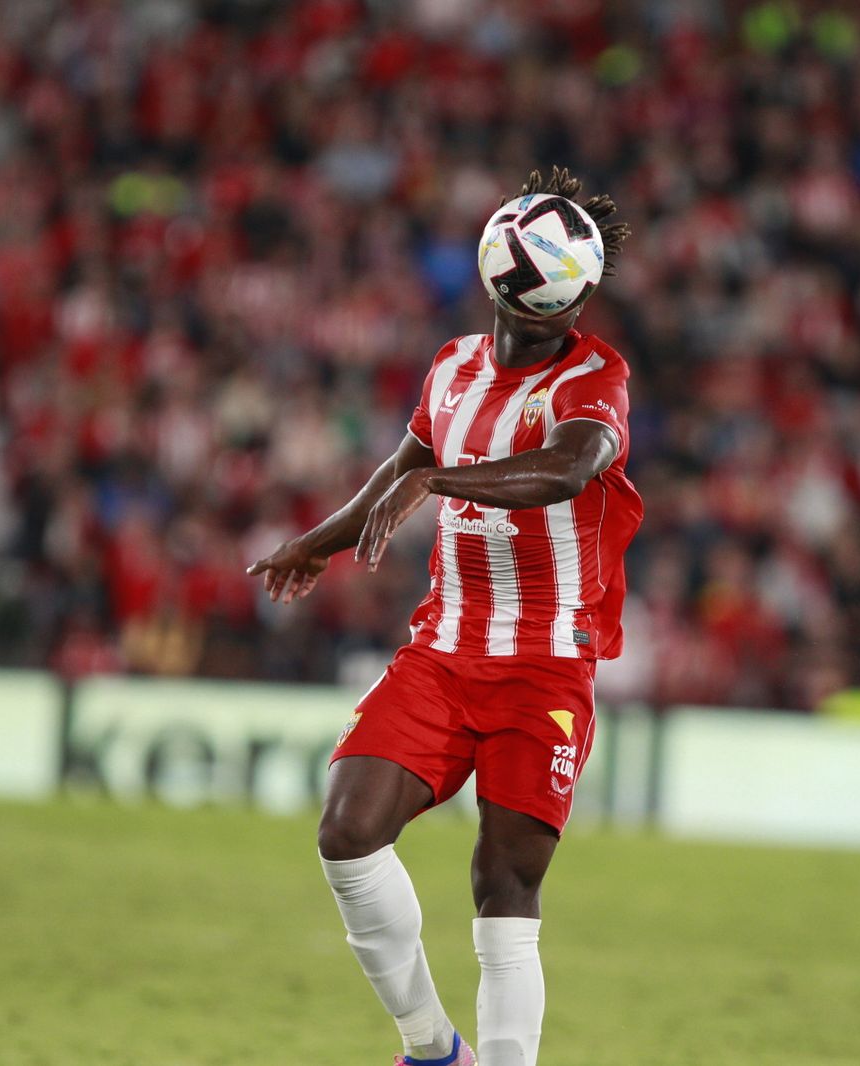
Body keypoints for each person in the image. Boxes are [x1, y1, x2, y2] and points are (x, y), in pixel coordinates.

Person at [247, 167, 640, 1066]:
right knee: (347, 832)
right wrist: (318, 540)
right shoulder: (455, 365)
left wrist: (439, 481)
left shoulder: (597, 377)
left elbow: (571, 469)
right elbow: (401, 466)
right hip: (443, 649)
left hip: (545, 662)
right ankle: (432, 1049)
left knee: (504, 883)